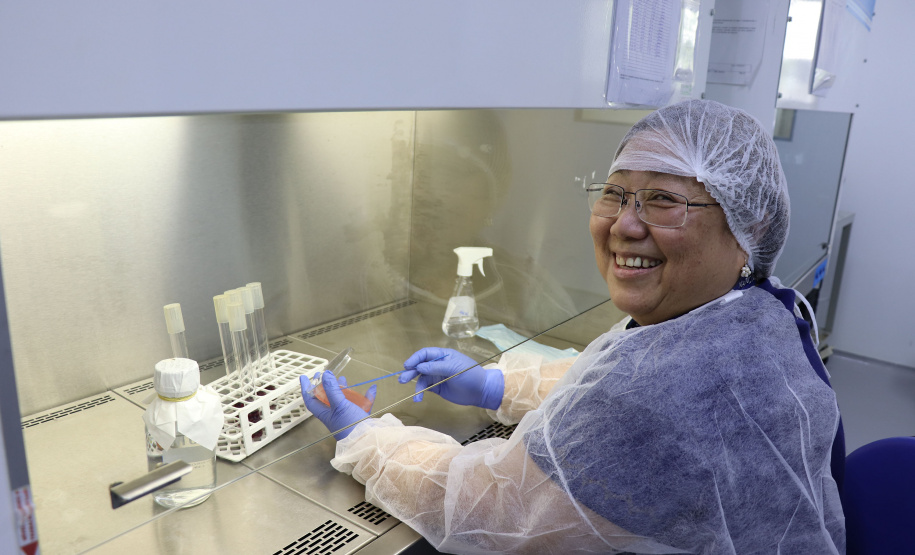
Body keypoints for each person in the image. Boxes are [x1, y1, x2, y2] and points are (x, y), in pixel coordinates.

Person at [301, 100, 845, 554]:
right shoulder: (754, 311)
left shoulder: (657, 399)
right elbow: (622, 380)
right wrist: (499, 385)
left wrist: (366, 439)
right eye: (615, 193)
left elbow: (489, 511)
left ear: (749, 223)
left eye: (664, 200)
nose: (625, 224)